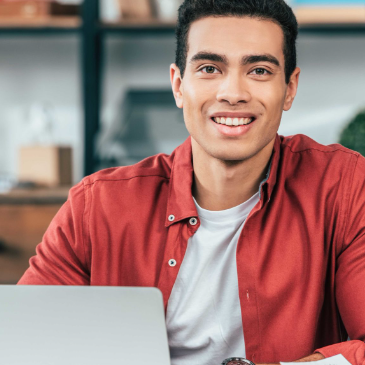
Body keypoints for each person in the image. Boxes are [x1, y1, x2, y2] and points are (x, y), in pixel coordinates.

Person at [18, 1, 365, 365]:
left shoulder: (344, 188)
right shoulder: (96, 207)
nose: (233, 93)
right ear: (179, 86)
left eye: (259, 70)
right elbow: (26, 340)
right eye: (210, 68)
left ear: (290, 88)